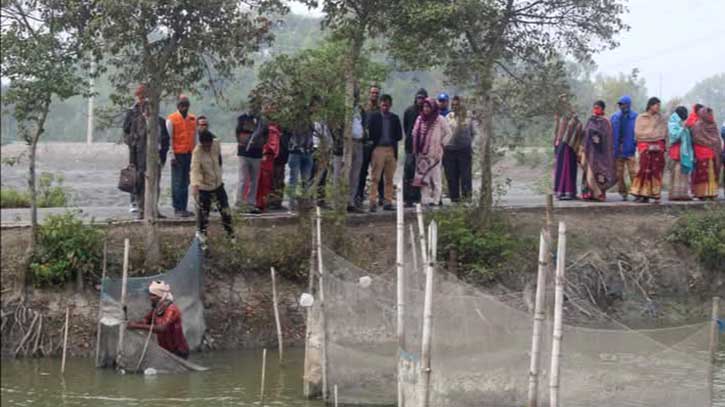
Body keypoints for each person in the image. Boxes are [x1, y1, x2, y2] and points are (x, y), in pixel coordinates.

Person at [190, 126, 235, 239]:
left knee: (226, 211)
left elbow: (217, 143)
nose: (207, 147)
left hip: (218, 185)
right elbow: (195, 170)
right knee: (203, 216)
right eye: (205, 145)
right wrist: (195, 185)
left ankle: (231, 236)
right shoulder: (197, 152)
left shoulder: (216, 144)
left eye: (209, 145)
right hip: (205, 188)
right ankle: (202, 237)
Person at [127, 281, 190, 359]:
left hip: (178, 351)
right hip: (166, 350)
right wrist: (133, 323)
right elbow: (146, 320)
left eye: (153, 295)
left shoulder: (171, 309)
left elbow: (161, 328)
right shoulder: (157, 309)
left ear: (161, 296)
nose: (150, 298)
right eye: (150, 295)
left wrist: (136, 326)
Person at [412, 97, 452, 206]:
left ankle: (436, 200)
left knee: (436, 178)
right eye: (424, 106)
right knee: (424, 178)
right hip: (422, 154)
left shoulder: (439, 119)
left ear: (433, 107)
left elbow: (449, 133)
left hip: (435, 154)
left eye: (428, 106)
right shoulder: (420, 119)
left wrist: (442, 144)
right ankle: (425, 199)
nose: (426, 109)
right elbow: (414, 133)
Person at [366, 94, 403, 211]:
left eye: (387, 104)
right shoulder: (374, 117)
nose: (385, 107)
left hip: (391, 149)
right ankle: (372, 202)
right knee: (375, 177)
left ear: (390, 105)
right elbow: (369, 132)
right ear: (380, 105)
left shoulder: (394, 118)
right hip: (378, 149)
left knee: (389, 178)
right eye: (383, 104)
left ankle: (388, 202)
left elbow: (399, 135)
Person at [631, 97, 667, 203]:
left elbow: (662, 134)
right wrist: (651, 137)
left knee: (656, 171)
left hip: (657, 149)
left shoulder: (661, 119)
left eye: (659, 105)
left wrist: (653, 138)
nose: (658, 107)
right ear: (650, 105)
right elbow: (638, 133)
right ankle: (641, 194)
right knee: (643, 169)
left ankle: (655, 194)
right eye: (657, 105)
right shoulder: (641, 117)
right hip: (644, 148)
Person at [122, 85, 150, 219]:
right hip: (135, 148)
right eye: (139, 96)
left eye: (143, 96)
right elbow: (125, 128)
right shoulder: (132, 111)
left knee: (146, 175)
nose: (141, 99)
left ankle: (146, 203)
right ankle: (134, 202)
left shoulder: (150, 110)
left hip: (147, 149)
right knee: (134, 175)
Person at [166, 95, 196, 217]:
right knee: (177, 182)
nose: (185, 108)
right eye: (182, 105)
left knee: (186, 181)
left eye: (186, 105)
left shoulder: (192, 119)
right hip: (177, 155)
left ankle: (184, 207)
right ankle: (177, 208)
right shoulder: (171, 119)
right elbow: (169, 139)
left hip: (189, 154)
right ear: (178, 106)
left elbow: (195, 138)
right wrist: (172, 156)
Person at [355, 85, 384, 207]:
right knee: (362, 171)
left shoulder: (381, 109)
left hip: (377, 144)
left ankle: (381, 197)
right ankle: (359, 196)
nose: (374, 95)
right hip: (365, 143)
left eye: (376, 93)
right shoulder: (363, 108)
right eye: (372, 92)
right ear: (369, 93)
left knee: (378, 171)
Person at [580, 101, 616, 202]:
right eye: (594, 107)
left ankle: (599, 194)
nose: (595, 110)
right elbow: (585, 133)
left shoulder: (605, 121)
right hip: (589, 152)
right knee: (588, 171)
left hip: (600, 153)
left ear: (603, 109)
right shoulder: (590, 120)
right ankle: (588, 193)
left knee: (600, 173)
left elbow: (608, 137)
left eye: (598, 108)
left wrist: (598, 137)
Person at [443, 96, 475, 203]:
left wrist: (470, 145)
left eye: (457, 105)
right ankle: (454, 198)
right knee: (451, 176)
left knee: (465, 175)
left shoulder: (469, 117)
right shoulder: (448, 117)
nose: (455, 107)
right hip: (449, 150)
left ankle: (467, 198)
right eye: (453, 105)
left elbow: (473, 133)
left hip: (464, 150)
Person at [236, 113, 267, 213]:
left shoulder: (262, 121)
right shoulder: (242, 119)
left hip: (257, 154)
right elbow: (238, 134)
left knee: (255, 181)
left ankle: (251, 203)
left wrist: (258, 143)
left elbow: (266, 135)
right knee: (243, 179)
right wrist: (247, 142)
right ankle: (239, 203)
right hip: (244, 153)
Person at [553, 96, 583, 200]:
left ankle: (570, 192)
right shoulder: (559, 117)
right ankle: (560, 192)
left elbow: (578, 128)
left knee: (570, 168)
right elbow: (557, 132)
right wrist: (557, 141)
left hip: (571, 147)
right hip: (562, 146)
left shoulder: (574, 117)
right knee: (562, 168)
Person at [689, 106, 722, 200]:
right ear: (703, 114)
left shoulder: (713, 125)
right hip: (702, 152)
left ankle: (712, 192)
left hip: (713, 152)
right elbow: (697, 138)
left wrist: (713, 143)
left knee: (712, 171)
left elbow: (717, 138)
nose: (710, 116)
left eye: (711, 113)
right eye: (708, 113)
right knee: (703, 172)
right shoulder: (697, 125)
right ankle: (702, 193)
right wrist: (710, 143)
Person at [402, 88, 428, 207]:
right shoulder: (409, 111)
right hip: (410, 147)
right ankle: (407, 198)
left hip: (423, 148)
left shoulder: (428, 112)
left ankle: (418, 197)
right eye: (418, 98)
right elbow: (406, 127)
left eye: (422, 98)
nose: (420, 100)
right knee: (408, 171)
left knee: (421, 173)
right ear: (415, 98)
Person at [610, 95, 638, 200]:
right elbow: (610, 133)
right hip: (618, 150)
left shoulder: (635, 117)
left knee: (633, 172)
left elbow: (638, 131)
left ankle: (636, 192)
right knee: (619, 173)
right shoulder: (614, 117)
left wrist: (635, 143)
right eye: (620, 104)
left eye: (623, 104)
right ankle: (623, 193)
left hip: (630, 149)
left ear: (628, 104)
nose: (621, 106)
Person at [287, 119, 315, 212]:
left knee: (306, 179)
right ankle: (291, 204)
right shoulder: (294, 119)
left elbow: (313, 133)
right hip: (295, 152)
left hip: (308, 151)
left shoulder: (311, 121)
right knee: (293, 179)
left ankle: (305, 202)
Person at [667, 106, 693, 201]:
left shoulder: (681, 123)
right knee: (676, 172)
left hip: (683, 152)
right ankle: (674, 194)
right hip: (676, 151)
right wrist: (683, 128)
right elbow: (674, 136)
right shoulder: (672, 123)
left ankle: (683, 194)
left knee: (683, 172)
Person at [256, 113, 281, 212]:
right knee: (264, 182)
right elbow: (272, 146)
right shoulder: (273, 131)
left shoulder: (271, 131)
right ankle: (261, 203)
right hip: (267, 157)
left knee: (262, 181)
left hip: (266, 157)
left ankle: (260, 203)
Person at [268, 127, 290, 211]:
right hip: (273, 157)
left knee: (279, 181)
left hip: (281, 158)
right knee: (273, 180)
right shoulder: (271, 129)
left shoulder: (285, 130)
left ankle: (277, 202)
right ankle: (272, 202)